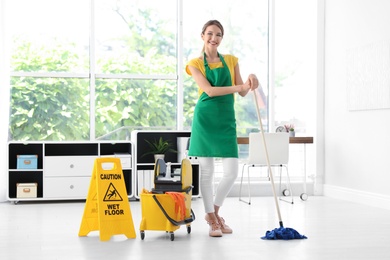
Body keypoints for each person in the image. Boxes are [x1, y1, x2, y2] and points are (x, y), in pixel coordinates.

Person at [185, 20, 259, 237]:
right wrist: (240, 87)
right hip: (205, 119)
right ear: (202, 36)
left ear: (221, 38)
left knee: (231, 172)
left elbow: (244, 92)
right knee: (207, 173)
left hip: (226, 120)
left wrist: (251, 79)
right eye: (209, 34)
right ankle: (213, 221)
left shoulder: (231, 60)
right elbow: (209, 91)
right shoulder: (194, 63)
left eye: (218, 35)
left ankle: (213, 214)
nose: (213, 38)